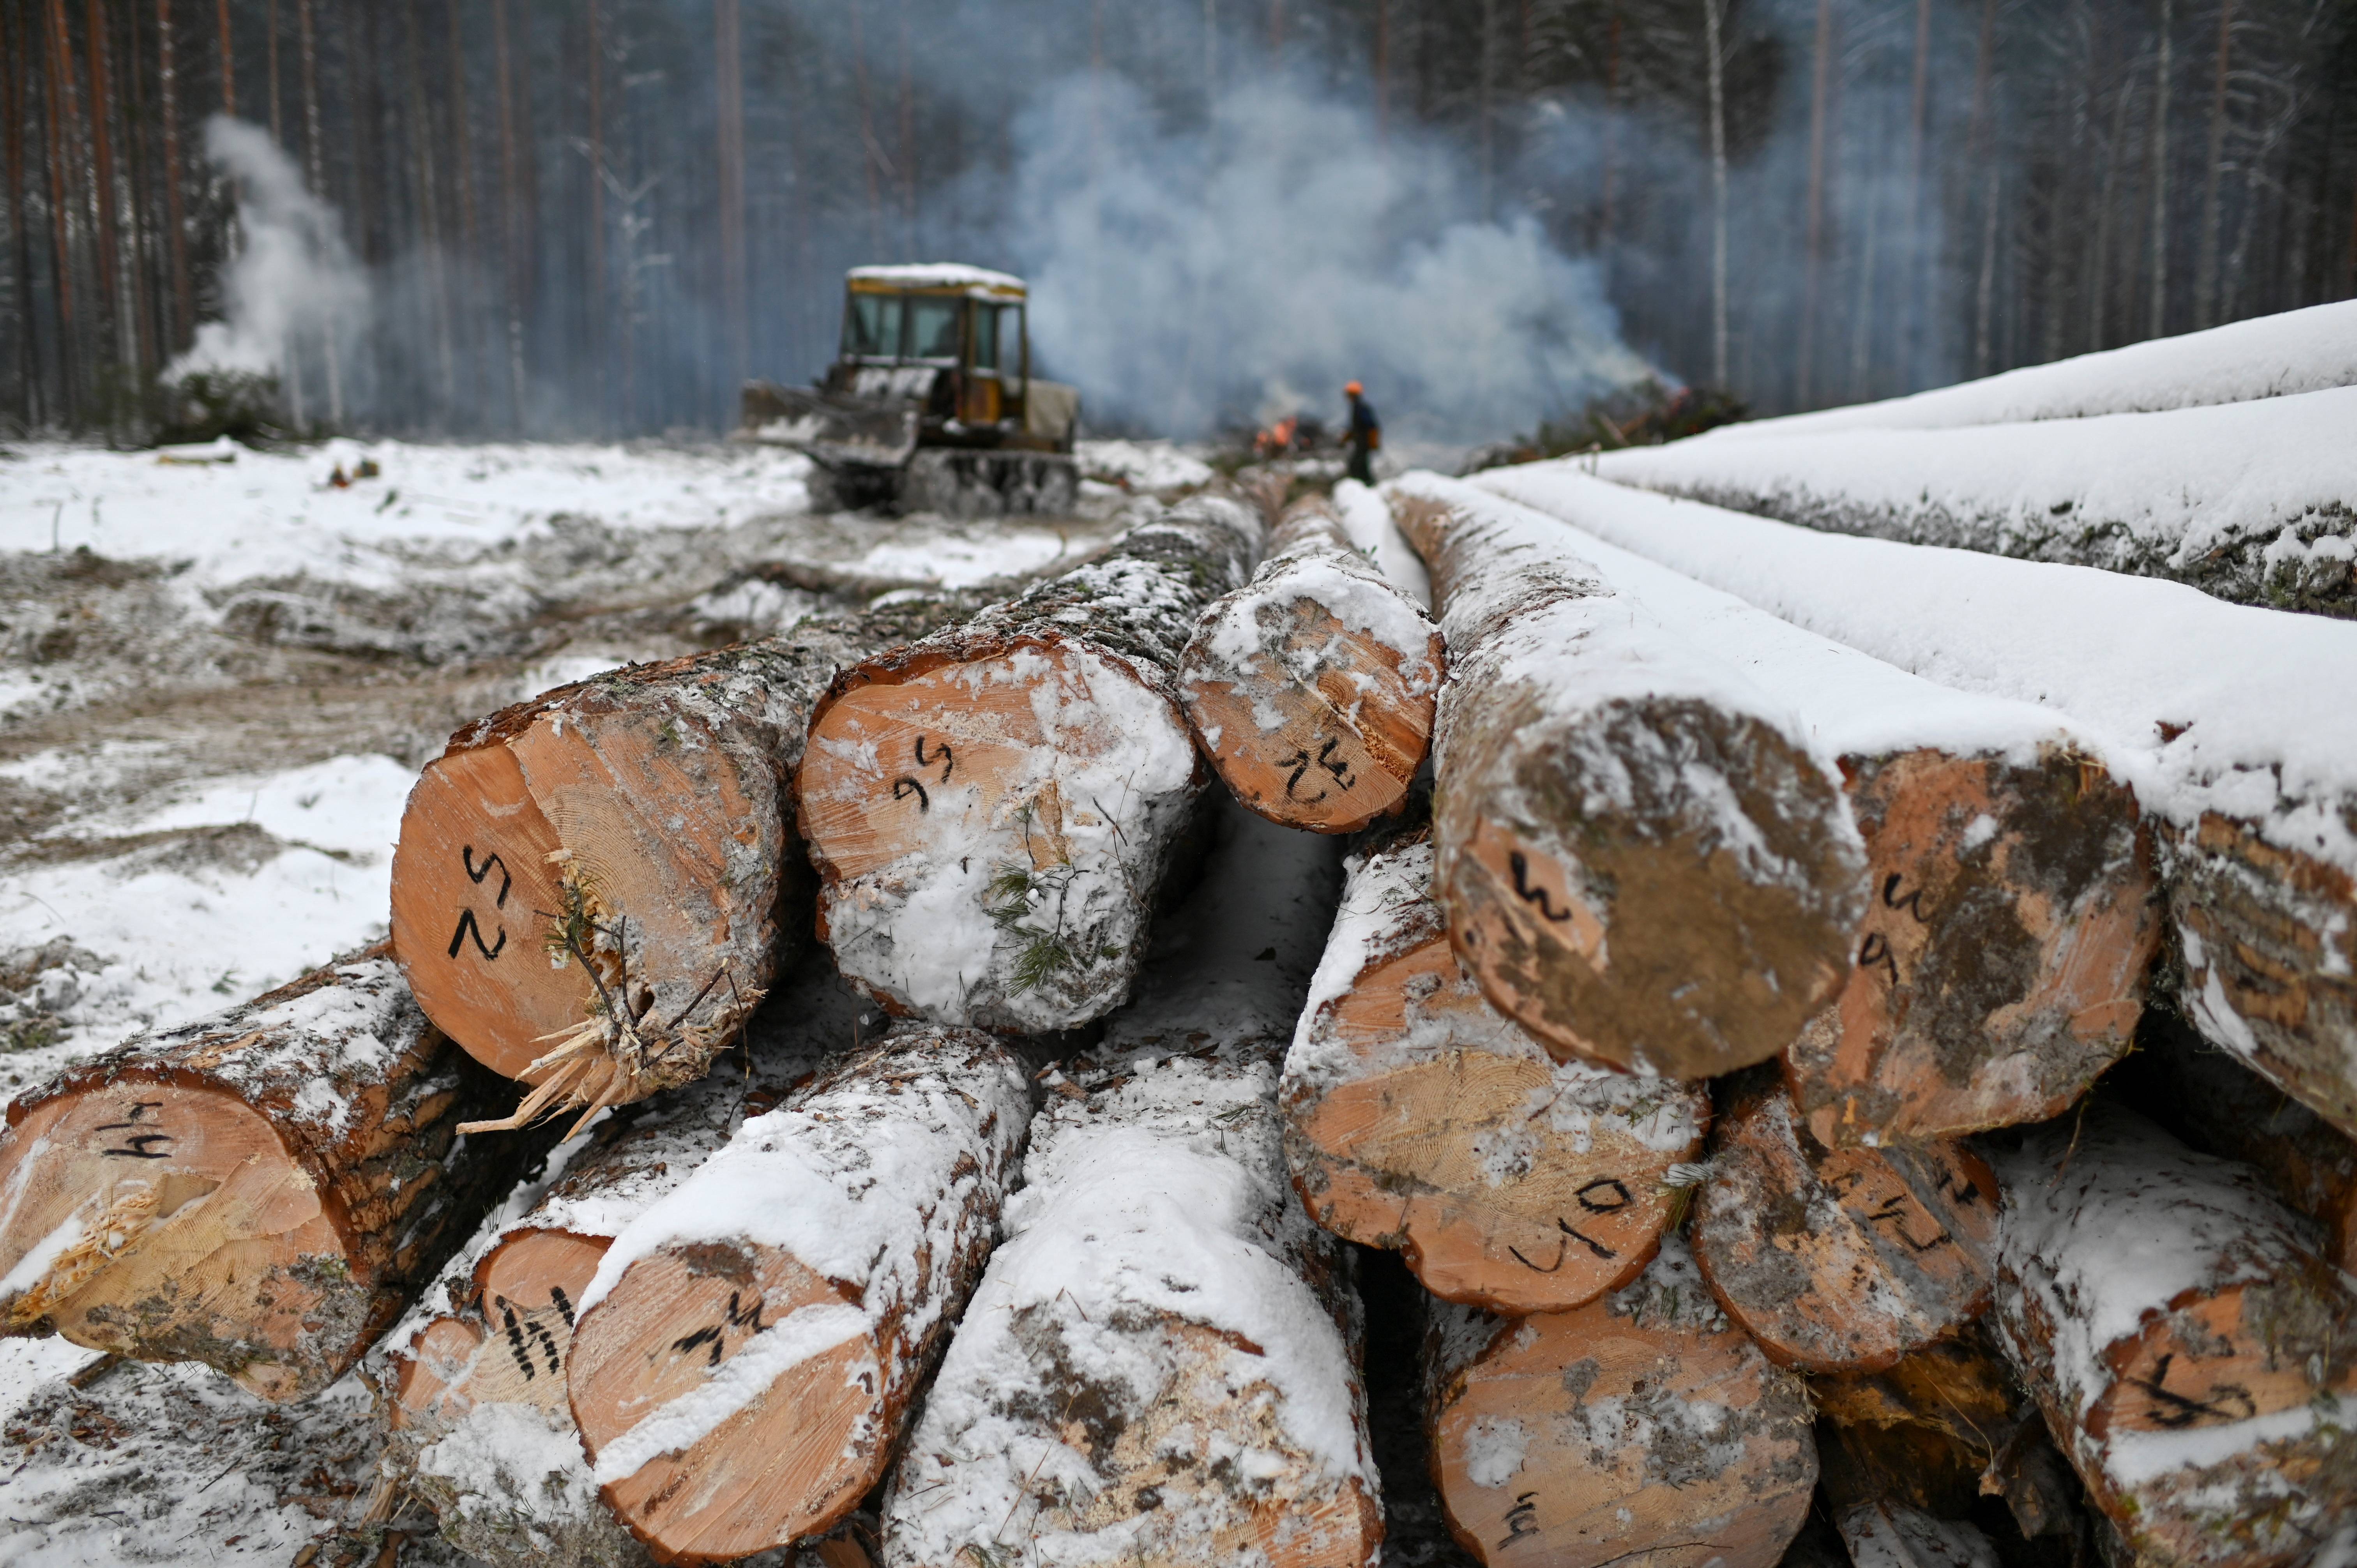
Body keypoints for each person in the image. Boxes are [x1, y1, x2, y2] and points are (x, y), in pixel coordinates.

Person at [1342, 380, 1381, 485]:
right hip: (1360, 442)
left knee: (1359, 465)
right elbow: (1356, 428)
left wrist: (1373, 441)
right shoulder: (1357, 407)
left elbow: (1371, 426)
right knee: (1359, 464)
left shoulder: (1361, 408)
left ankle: (1366, 486)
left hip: (1364, 443)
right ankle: (1363, 485)